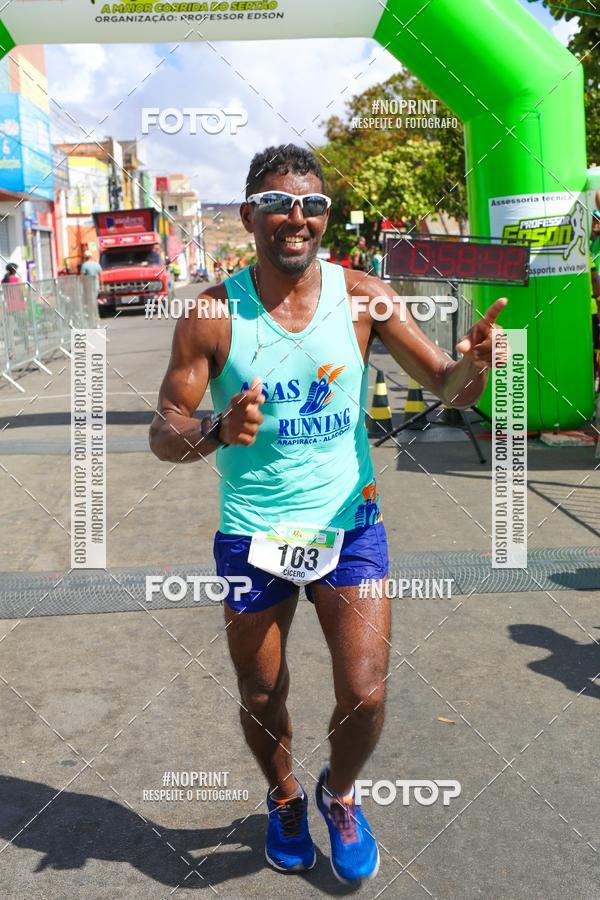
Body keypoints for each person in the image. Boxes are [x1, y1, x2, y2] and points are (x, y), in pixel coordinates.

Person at [149, 144, 506, 884]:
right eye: (279, 202)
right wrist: (213, 431)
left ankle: (338, 794)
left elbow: (444, 385)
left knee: (366, 691)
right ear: (250, 214)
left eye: (312, 205)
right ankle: (283, 796)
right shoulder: (213, 313)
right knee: (259, 691)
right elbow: (165, 426)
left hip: (350, 526)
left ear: (325, 219)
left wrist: (471, 366)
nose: (297, 217)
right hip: (255, 534)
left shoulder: (366, 297)